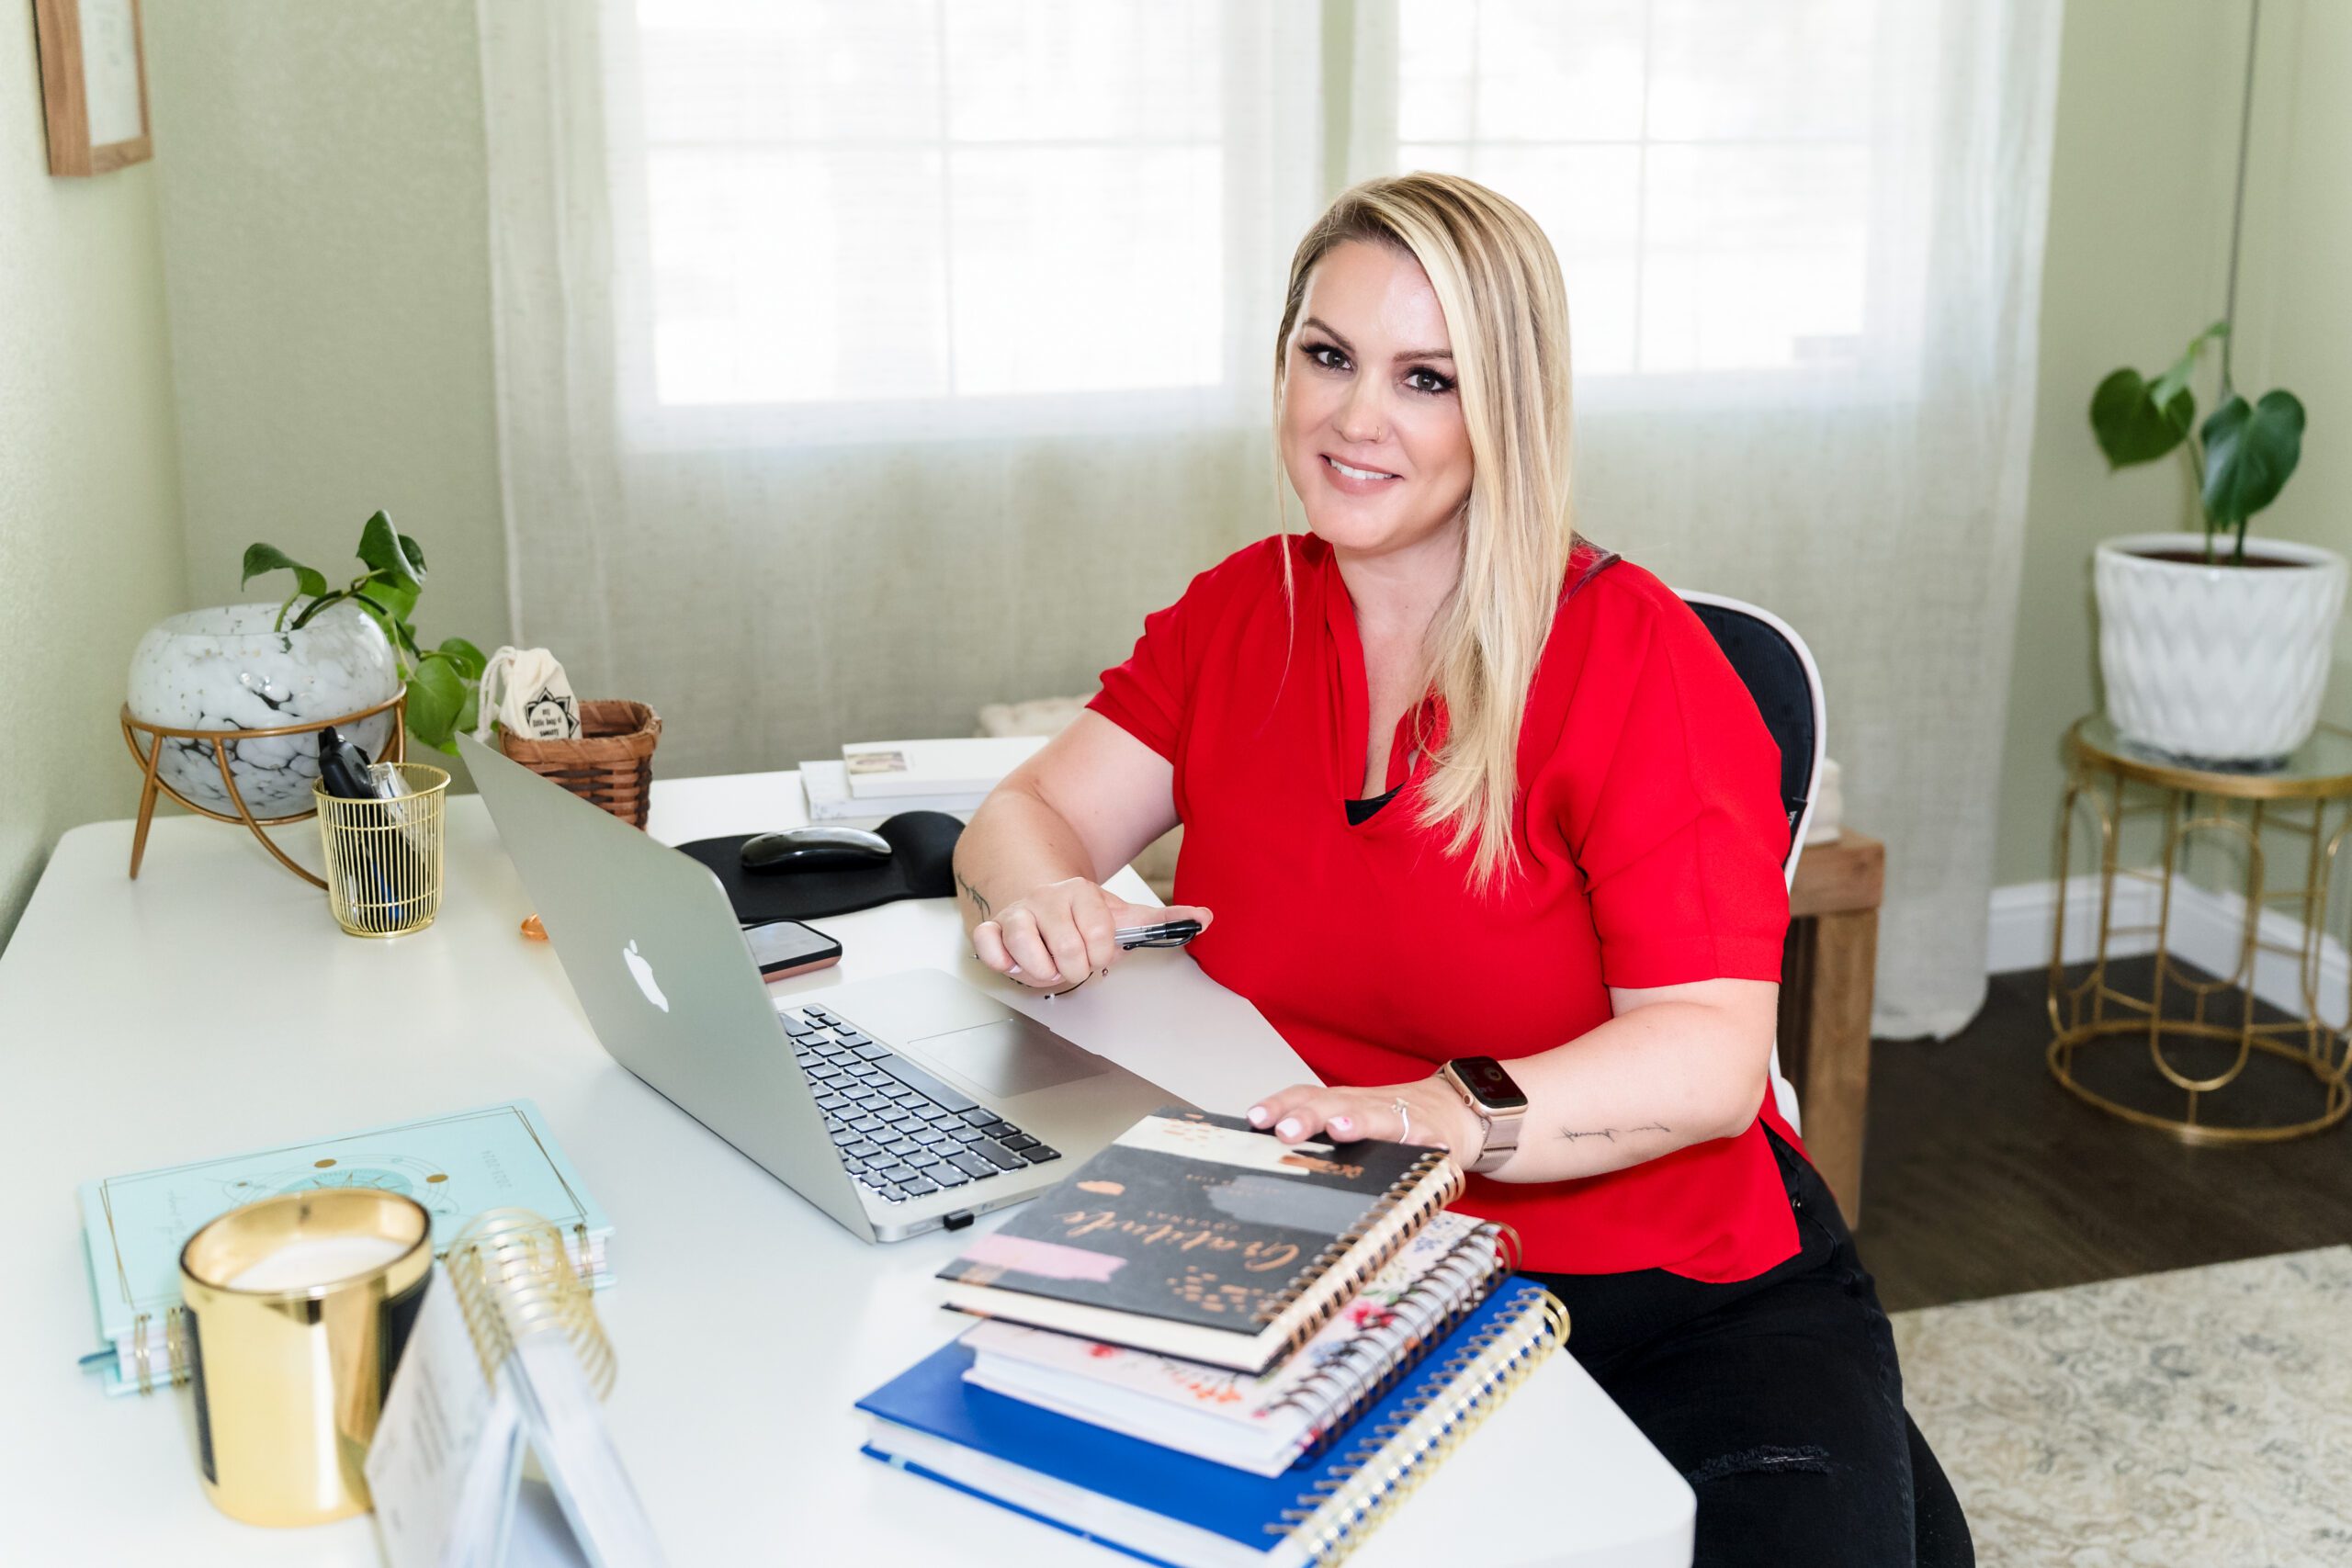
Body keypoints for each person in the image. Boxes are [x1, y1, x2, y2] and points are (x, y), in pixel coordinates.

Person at [951, 172, 1970, 1567]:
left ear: (1507, 406)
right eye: (1329, 356)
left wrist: (1444, 1114)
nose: (1356, 418)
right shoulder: (1243, 612)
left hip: (1667, 1278)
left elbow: (1706, 1059)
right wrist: (1044, 892)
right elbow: (1023, 815)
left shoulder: (1635, 661)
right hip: (1349, 1252)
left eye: (1425, 378)